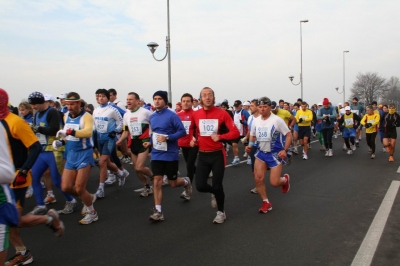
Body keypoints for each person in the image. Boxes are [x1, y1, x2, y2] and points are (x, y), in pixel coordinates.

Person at [1, 89, 64, 266]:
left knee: (13, 220)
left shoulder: (16, 123)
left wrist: (23, 171)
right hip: (3, 179)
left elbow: (35, 146)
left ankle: (48, 219)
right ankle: (22, 251)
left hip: (16, 178)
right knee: (7, 221)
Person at [191, 87, 240, 224]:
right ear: (200, 99)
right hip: (202, 155)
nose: (207, 97)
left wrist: (221, 137)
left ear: (214, 98)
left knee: (218, 185)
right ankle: (214, 193)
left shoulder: (222, 113)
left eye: (210, 95)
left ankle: (221, 212)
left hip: (217, 154)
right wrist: (193, 140)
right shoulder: (196, 114)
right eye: (204, 95)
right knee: (200, 186)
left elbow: (235, 133)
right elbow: (193, 132)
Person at [144, 91, 192, 222]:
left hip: (170, 154)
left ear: (165, 101)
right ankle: (158, 211)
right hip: (156, 153)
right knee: (157, 181)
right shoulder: (152, 116)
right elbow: (154, 133)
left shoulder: (172, 115)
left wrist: (168, 138)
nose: (157, 101)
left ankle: (186, 182)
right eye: (155, 99)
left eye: (160, 99)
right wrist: (150, 142)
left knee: (172, 183)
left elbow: (182, 131)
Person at [52, 92, 99, 224]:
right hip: (71, 154)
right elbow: (68, 137)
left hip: (84, 153)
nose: (69, 107)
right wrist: (61, 142)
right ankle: (89, 197)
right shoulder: (66, 116)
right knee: (66, 187)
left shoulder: (87, 116)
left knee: (79, 187)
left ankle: (92, 213)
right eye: (67, 104)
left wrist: (69, 132)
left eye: (72, 104)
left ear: (79, 103)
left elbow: (88, 132)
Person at [28, 91, 77, 215]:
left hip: (53, 150)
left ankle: (71, 200)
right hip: (42, 150)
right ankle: (40, 204)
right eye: (31, 105)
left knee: (56, 180)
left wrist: (37, 129)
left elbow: (54, 130)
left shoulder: (52, 112)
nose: (33, 107)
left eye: (34, 104)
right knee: (35, 177)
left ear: (42, 102)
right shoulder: (36, 114)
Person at [245, 96, 292, 214]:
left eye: (265, 107)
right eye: (260, 107)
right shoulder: (255, 121)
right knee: (258, 179)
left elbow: (289, 135)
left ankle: (284, 180)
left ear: (270, 107)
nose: (262, 109)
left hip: (275, 154)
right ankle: (266, 202)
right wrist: (250, 145)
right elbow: (253, 135)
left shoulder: (277, 120)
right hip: (261, 153)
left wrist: (285, 150)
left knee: (274, 182)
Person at [116, 92, 154, 197]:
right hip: (133, 143)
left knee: (139, 167)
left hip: (144, 142)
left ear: (137, 101)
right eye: (127, 99)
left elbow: (154, 126)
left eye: (131, 99)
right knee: (136, 169)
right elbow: (126, 131)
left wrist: (152, 140)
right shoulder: (126, 115)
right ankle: (146, 186)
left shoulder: (146, 112)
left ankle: (153, 177)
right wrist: (119, 140)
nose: (128, 101)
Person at [92, 89, 128, 198]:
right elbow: (94, 126)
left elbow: (121, 121)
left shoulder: (112, 109)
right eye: (99, 96)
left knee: (102, 162)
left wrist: (115, 131)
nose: (101, 98)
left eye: (103, 96)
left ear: (108, 97)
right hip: (99, 139)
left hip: (109, 138)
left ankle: (100, 189)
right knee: (106, 162)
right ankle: (121, 173)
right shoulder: (95, 110)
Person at [177, 93, 199, 200]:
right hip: (183, 143)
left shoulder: (196, 114)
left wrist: (195, 138)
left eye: (188, 101)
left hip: (194, 144)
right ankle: (201, 173)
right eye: (184, 101)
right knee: (190, 164)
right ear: (181, 103)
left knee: (189, 165)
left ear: (192, 102)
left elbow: (199, 130)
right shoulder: (177, 115)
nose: (185, 103)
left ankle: (187, 189)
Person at [231, 100, 250, 165]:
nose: (236, 107)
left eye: (237, 106)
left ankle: (249, 157)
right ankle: (236, 158)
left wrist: (244, 122)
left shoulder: (244, 112)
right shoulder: (234, 112)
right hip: (237, 132)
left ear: (240, 105)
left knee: (245, 145)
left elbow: (250, 122)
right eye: (235, 106)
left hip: (244, 132)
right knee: (234, 144)